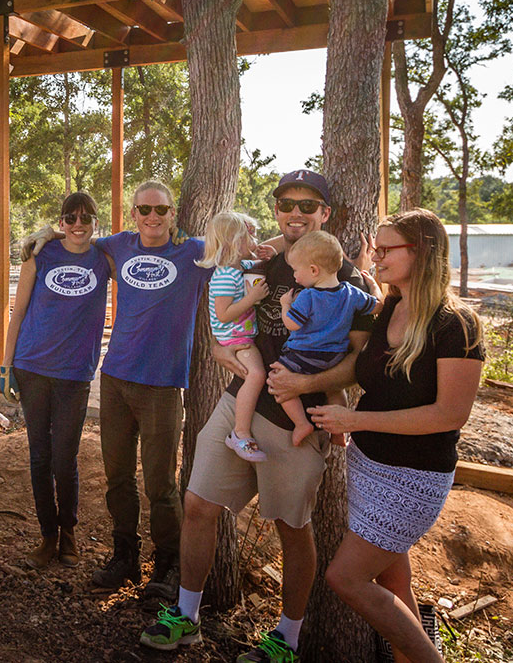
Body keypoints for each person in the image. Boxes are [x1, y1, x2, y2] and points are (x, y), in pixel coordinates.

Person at [140, 169, 377, 660]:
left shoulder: (346, 279)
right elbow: (223, 302)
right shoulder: (265, 260)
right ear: (276, 210)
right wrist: (217, 345)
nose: (296, 213)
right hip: (240, 402)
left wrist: (308, 384)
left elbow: (359, 363)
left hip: (300, 421)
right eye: (286, 204)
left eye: (307, 206)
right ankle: (186, 616)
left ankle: (286, 640)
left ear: (325, 214)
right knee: (199, 505)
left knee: (293, 529)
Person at [308, 209, 485, 663]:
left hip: (413, 477)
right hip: (368, 464)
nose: (377, 257)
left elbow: (449, 414)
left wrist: (356, 421)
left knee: (344, 579)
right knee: (393, 581)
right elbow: (365, 370)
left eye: (387, 250)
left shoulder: (456, 325)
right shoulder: (390, 306)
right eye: (377, 249)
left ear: (422, 251)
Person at [23, 180, 213, 602]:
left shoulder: (193, 251)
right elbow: (76, 235)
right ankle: (124, 556)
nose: (152, 217)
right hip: (115, 379)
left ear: (172, 213)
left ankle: (167, 567)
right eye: (144, 209)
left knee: (161, 484)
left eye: (161, 210)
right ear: (133, 213)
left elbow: (240, 248)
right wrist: (44, 234)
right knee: (118, 478)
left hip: (163, 384)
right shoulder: (119, 245)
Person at [0, 192, 113, 570]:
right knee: (39, 456)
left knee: (65, 458)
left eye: (86, 217)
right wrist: (5, 367)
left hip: (74, 374)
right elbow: (16, 314)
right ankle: (47, 536)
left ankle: (70, 534)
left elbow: (143, 250)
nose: (79, 224)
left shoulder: (104, 259)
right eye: (71, 217)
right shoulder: (41, 255)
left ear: (96, 222)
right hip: (32, 368)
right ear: (62, 221)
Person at [276, 230, 381, 446]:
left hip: (303, 356)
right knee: (334, 389)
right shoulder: (351, 293)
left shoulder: (308, 296)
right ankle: (337, 430)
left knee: (278, 380)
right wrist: (374, 287)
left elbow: (292, 323)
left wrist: (285, 305)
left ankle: (301, 423)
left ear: (314, 270)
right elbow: (378, 306)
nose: (294, 276)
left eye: (296, 270)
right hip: (335, 357)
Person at [196, 211, 273, 463]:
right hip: (234, 338)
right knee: (257, 374)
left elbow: (259, 261)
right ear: (232, 242)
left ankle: (241, 430)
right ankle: (240, 433)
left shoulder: (242, 267)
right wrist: (252, 299)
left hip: (242, 334)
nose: (255, 240)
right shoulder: (225, 275)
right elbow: (224, 314)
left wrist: (267, 254)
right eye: (248, 236)